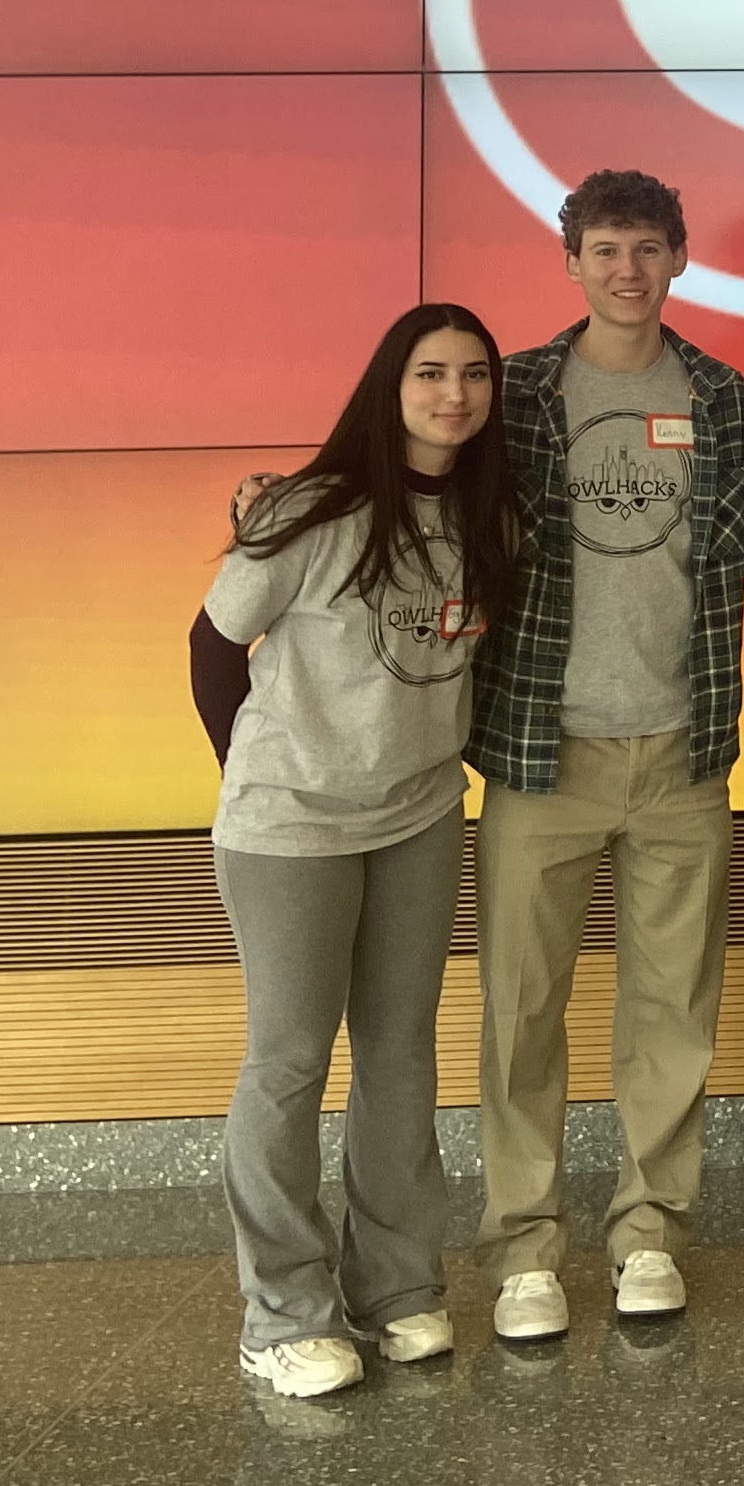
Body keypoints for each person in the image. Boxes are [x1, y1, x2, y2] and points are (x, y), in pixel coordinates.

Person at [470, 169, 744, 1341]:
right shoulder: (510, 394)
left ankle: (650, 1230)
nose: (627, 270)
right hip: (535, 748)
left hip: (683, 747)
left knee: (674, 1008)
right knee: (520, 1010)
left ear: (678, 259)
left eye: (647, 248)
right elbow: (419, 495)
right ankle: (525, 1246)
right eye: (605, 249)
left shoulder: (716, 393)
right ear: (571, 262)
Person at [204, 303, 518, 1398]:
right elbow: (215, 643)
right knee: (289, 1061)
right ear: (390, 385)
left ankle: (397, 1290)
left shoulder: (492, 512)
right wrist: (256, 773)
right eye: (431, 373)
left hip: (421, 816)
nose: (454, 395)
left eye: (475, 375)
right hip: (292, 827)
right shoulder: (310, 509)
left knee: (399, 1059)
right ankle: (282, 1313)